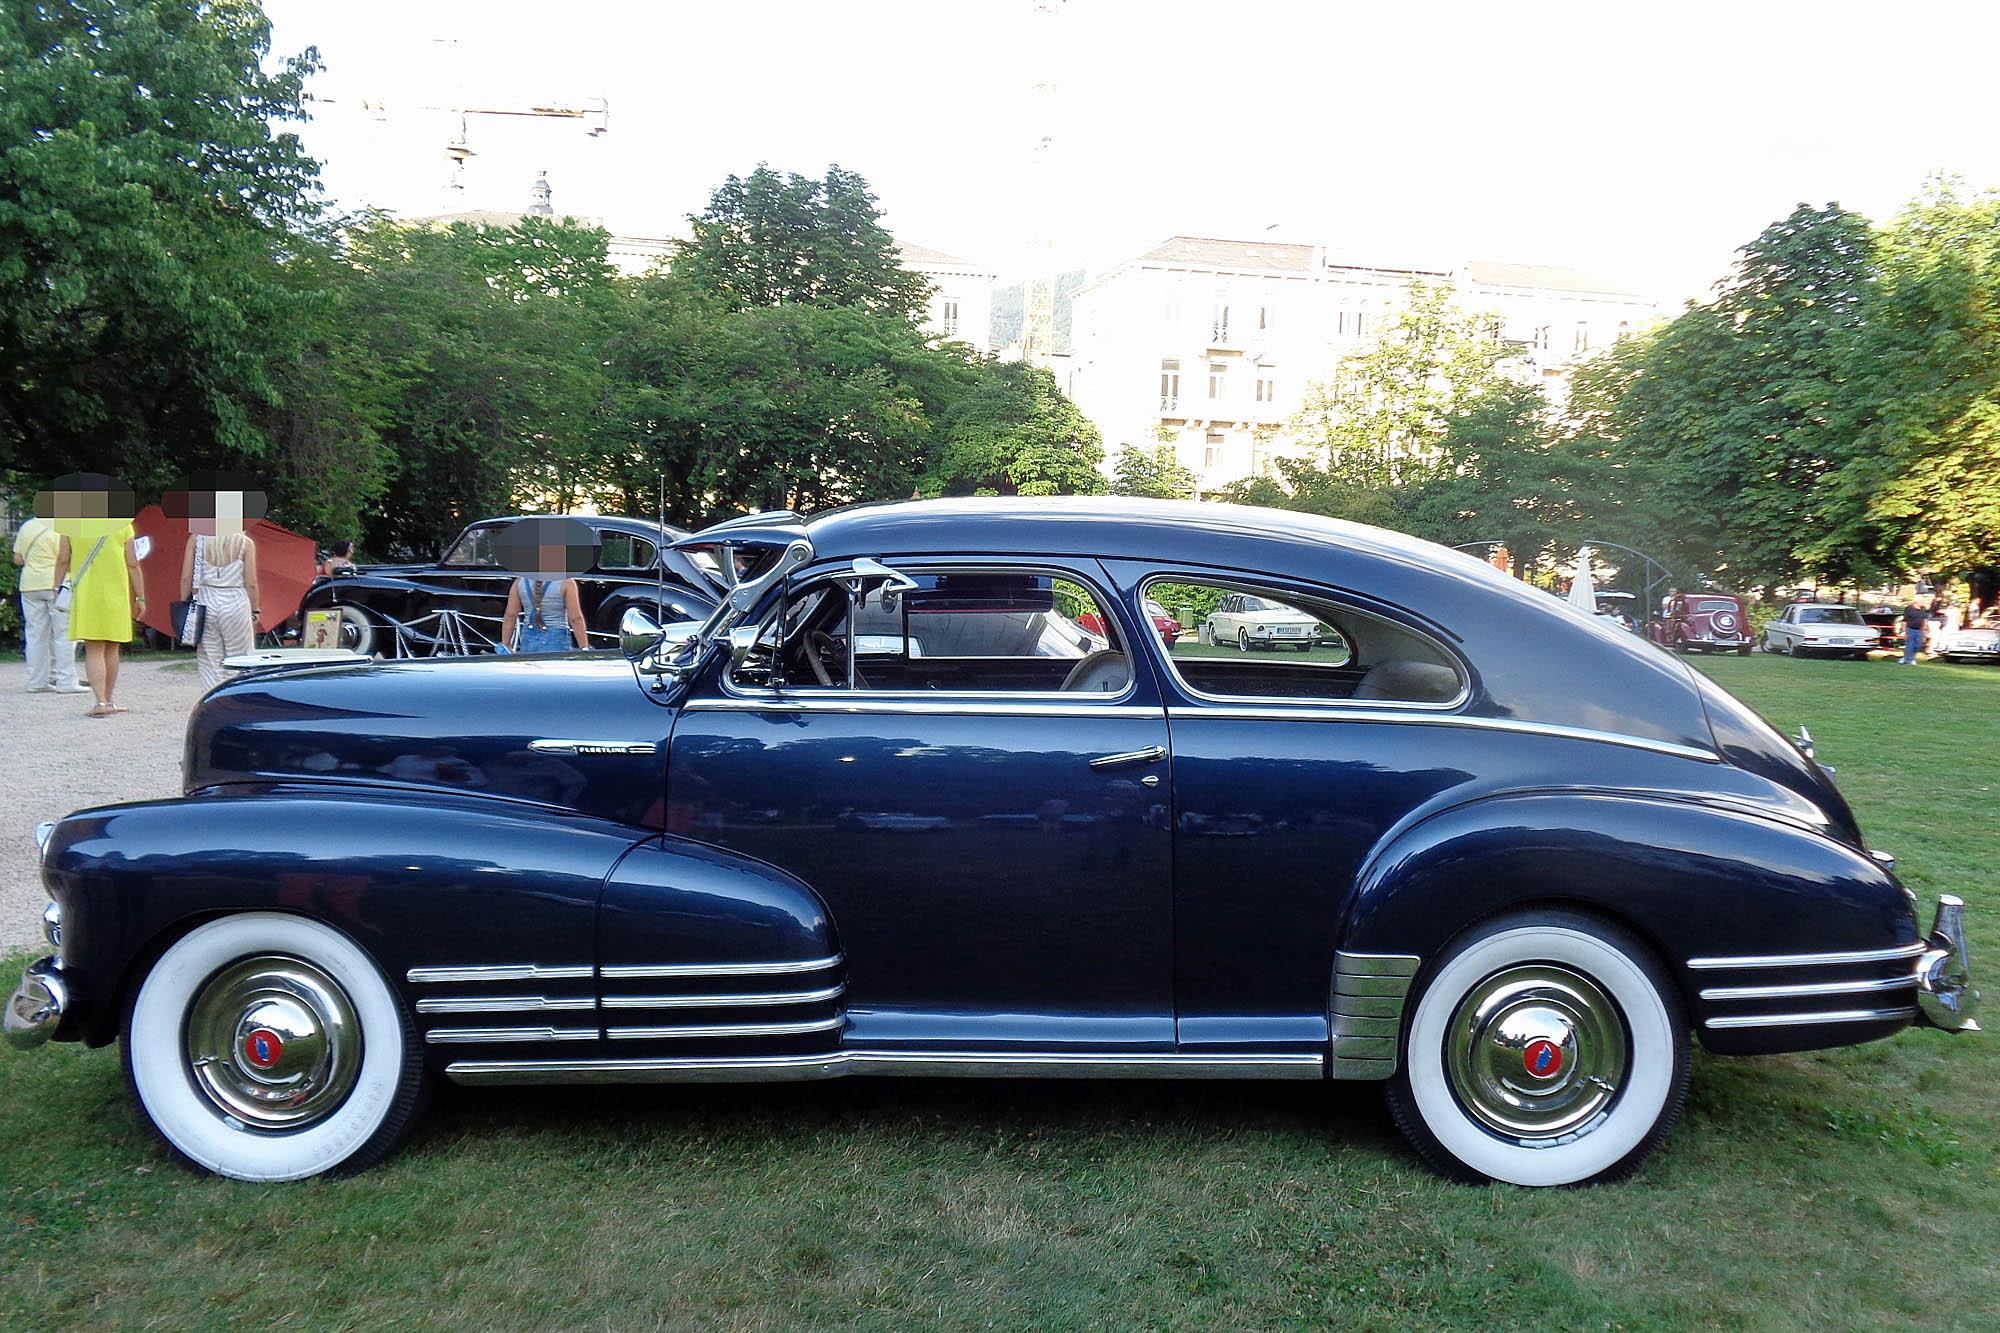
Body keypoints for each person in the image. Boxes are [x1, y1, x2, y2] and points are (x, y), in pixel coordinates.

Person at [54, 518, 143, 716]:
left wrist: (55, 587)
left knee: (94, 648)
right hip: (116, 594)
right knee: (112, 647)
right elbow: (133, 563)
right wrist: (140, 596)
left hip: (86, 594)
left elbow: (63, 559)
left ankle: (100, 702)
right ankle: (109, 701)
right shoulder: (123, 525)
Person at [12, 513, 90, 693]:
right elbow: (67, 559)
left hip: (30, 585)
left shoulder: (28, 526)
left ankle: (37, 682)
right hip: (58, 584)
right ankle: (66, 681)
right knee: (64, 634)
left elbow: (18, 559)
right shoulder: (66, 527)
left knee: (35, 635)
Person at [180, 526, 260, 689]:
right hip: (235, 600)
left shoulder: (196, 540)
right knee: (240, 658)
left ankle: (214, 701)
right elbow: (251, 583)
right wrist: (255, 609)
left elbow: (185, 578)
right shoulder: (245, 543)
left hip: (206, 600)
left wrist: (184, 605)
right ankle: (236, 697)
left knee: (210, 660)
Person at [501, 573, 587, 651]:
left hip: (528, 638)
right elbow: (576, 619)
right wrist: (584, 647)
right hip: (557, 639)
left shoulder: (520, 581)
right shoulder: (566, 582)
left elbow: (510, 615)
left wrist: (506, 644)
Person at [1899, 597, 1933, 665]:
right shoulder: (1909, 609)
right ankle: (1909, 660)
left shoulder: (1923, 609)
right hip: (1910, 629)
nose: (1923, 603)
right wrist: (1905, 632)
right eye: (1922, 601)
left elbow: (1924, 619)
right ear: (1916, 602)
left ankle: (1907, 658)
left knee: (1918, 645)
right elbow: (1904, 621)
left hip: (1919, 630)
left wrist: (1927, 628)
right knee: (1910, 645)